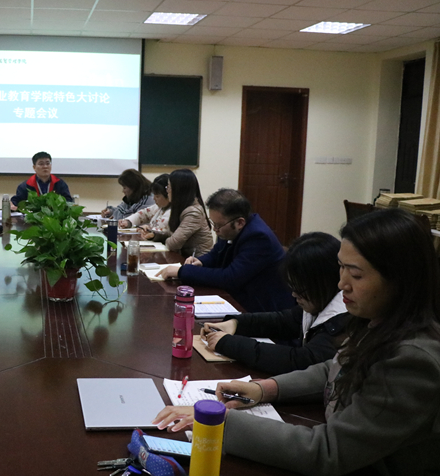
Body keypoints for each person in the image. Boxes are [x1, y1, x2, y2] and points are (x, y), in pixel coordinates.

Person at [153, 209, 440, 475]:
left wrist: (221, 423)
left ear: (400, 279)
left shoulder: (411, 360)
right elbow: (334, 367)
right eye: (341, 268)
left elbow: (328, 450)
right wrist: (264, 388)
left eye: (355, 274)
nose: (342, 284)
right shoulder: (376, 320)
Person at [201, 232, 349, 375]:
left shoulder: (342, 321)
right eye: (293, 287)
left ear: (322, 283)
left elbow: (299, 360)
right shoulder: (320, 300)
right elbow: (283, 321)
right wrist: (235, 324)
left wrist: (229, 343)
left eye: (300, 289)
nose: (294, 294)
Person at [158, 188, 294, 313]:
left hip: (263, 308)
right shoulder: (229, 229)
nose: (215, 229)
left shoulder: (258, 237)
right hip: (239, 297)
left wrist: (182, 271)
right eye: (213, 224)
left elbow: (230, 278)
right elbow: (216, 253)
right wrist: (200, 261)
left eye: (218, 225)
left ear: (240, 222)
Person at [152, 169, 213, 258]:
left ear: (178, 190)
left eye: (169, 187)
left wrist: (168, 240)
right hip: (186, 258)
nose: (167, 191)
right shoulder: (182, 207)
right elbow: (172, 234)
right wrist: (154, 235)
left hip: (199, 261)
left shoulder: (193, 212)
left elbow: (173, 244)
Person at [119, 174, 171, 239]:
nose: (154, 198)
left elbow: (165, 231)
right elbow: (144, 213)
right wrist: (128, 222)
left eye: (157, 196)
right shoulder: (159, 207)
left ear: (169, 195)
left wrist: (148, 229)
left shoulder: (173, 212)